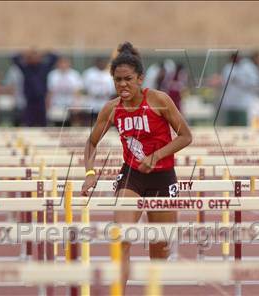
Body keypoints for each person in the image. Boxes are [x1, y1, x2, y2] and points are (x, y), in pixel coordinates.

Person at [81, 42, 192, 291]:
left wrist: (157, 155)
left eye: (128, 79)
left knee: (160, 246)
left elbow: (186, 136)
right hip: (131, 176)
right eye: (117, 80)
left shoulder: (159, 100)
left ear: (140, 78)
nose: (122, 85)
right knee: (121, 237)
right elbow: (91, 143)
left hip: (163, 177)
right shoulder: (111, 109)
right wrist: (90, 173)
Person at [46, 56, 83, 126]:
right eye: (61, 63)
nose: (63, 65)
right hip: (57, 103)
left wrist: (77, 104)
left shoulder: (74, 75)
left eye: (65, 63)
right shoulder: (53, 75)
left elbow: (77, 91)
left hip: (70, 103)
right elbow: (50, 91)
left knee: (69, 125)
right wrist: (48, 104)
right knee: (57, 124)